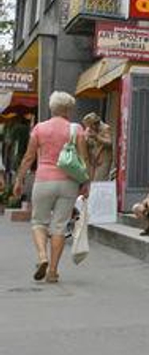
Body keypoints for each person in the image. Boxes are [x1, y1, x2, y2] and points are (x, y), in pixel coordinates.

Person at [12, 92, 89, 284]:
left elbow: (29, 157)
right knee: (59, 227)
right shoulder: (76, 129)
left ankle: (42, 257)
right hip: (69, 182)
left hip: (44, 180)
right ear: (68, 110)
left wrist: (19, 180)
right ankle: (53, 271)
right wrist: (86, 183)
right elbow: (84, 159)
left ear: (52, 108)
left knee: (39, 222)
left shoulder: (40, 128)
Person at [82, 112, 114, 182]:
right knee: (91, 181)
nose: (89, 128)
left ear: (95, 123)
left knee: (99, 181)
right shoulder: (89, 129)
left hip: (103, 159)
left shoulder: (105, 128)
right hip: (93, 160)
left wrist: (96, 137)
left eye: (90, 125)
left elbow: (109, 142)